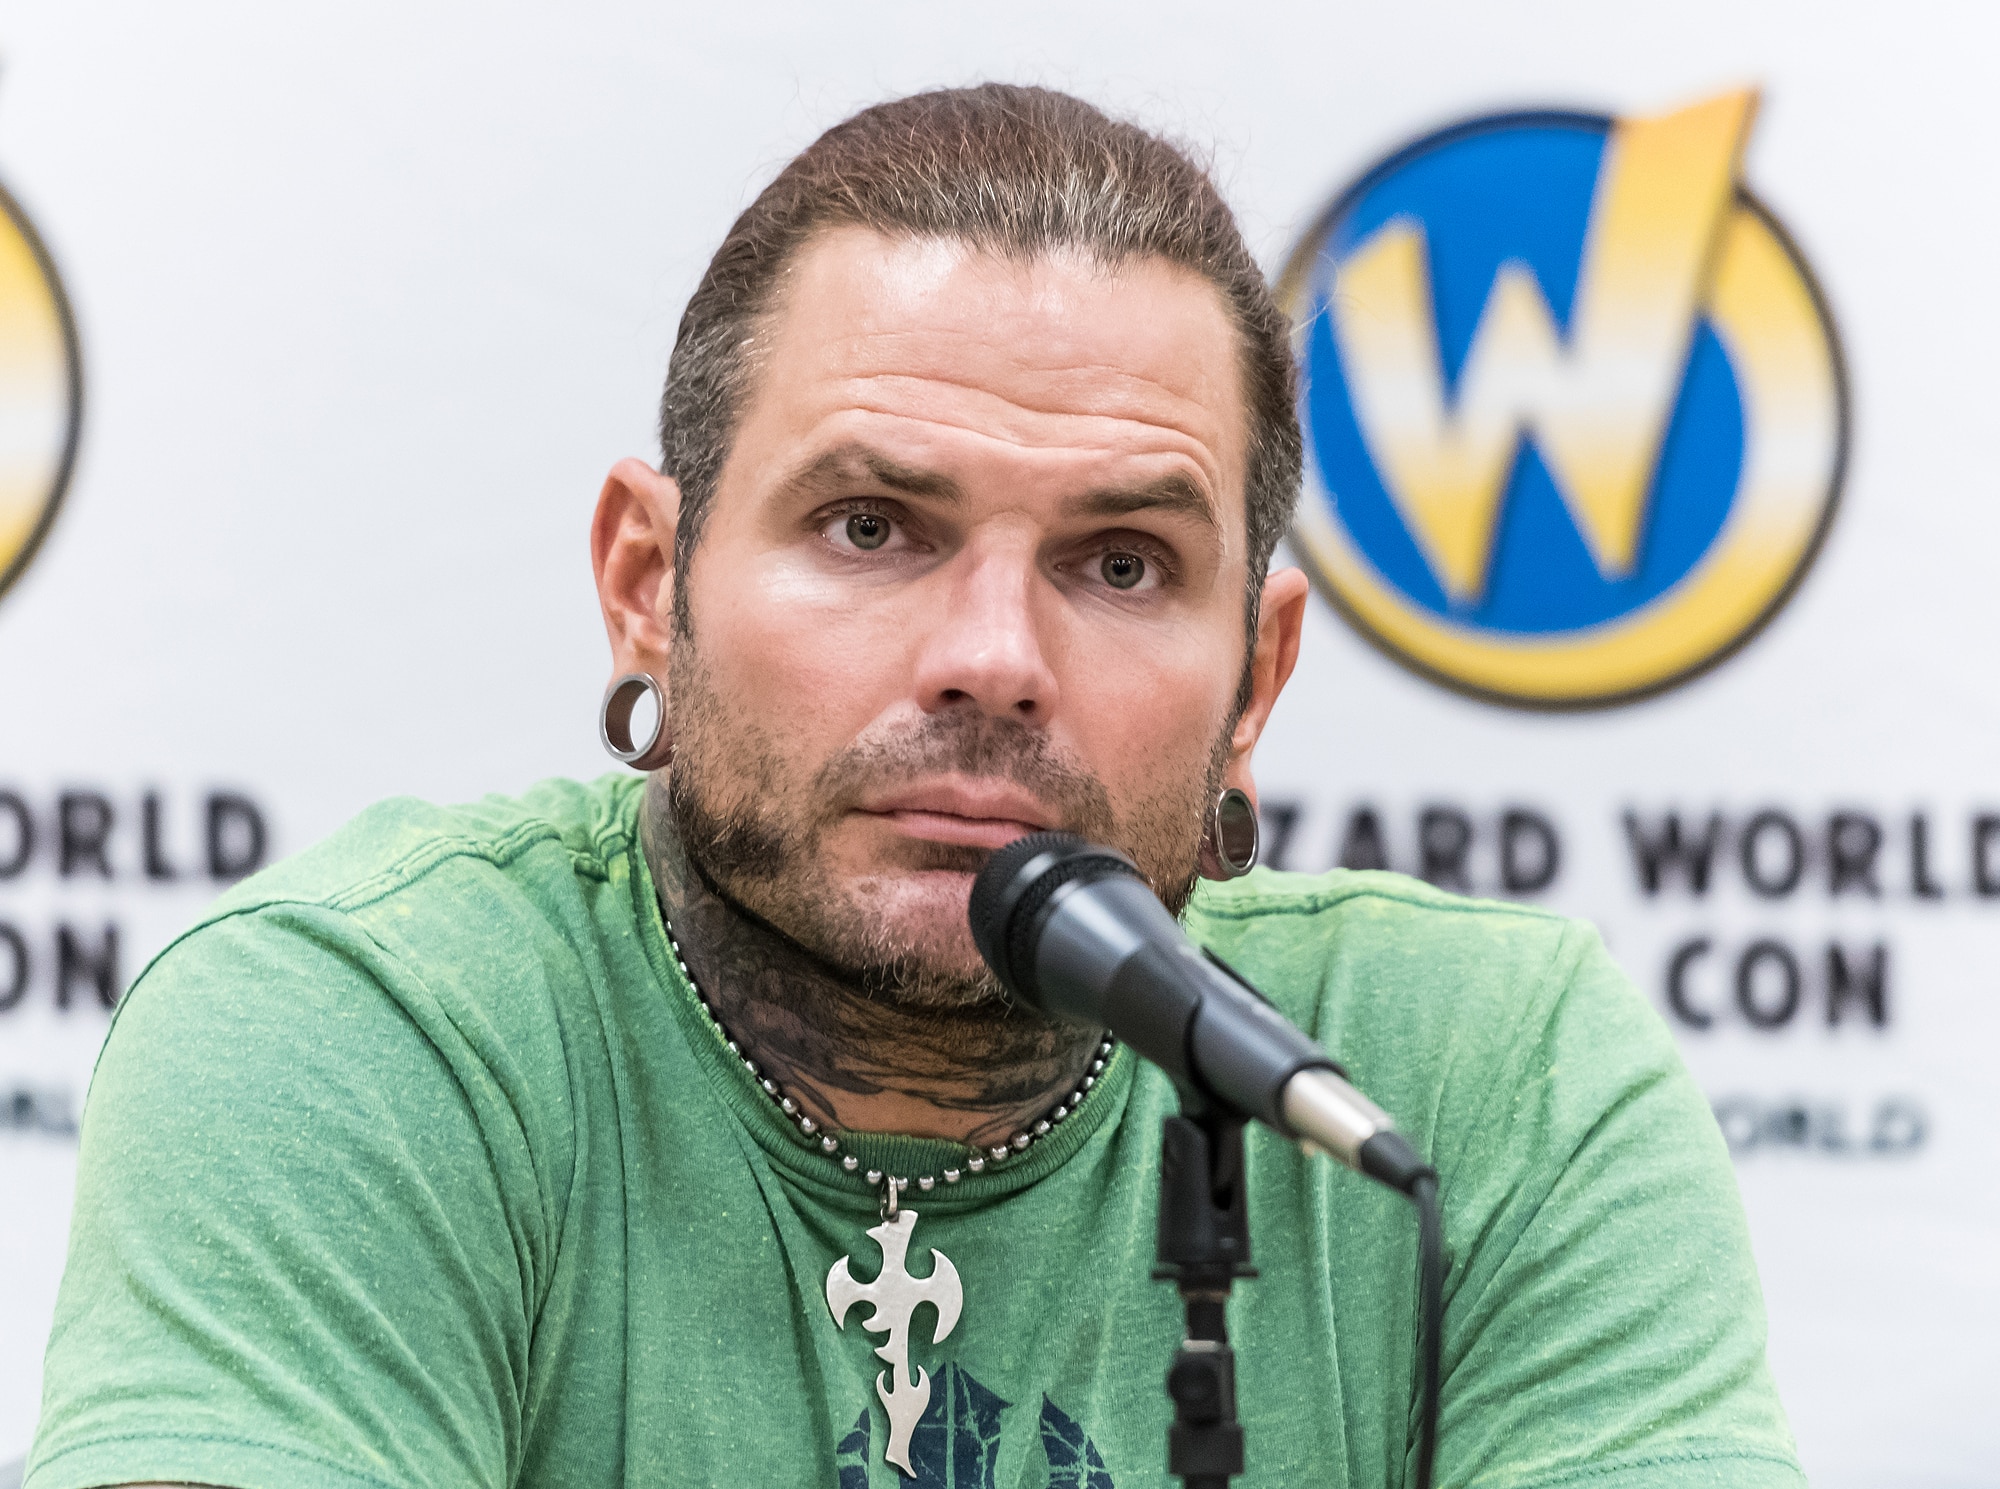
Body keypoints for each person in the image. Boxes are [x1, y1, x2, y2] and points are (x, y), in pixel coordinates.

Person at [27, 85, 1802, 1489]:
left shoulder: (1482, 1080)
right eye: (871, 527)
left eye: (1119, 564)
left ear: (1257, 677)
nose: (993, 655)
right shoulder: (368, 1027)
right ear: (651, 582)